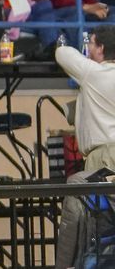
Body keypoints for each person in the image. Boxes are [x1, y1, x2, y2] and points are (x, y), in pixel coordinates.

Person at [53, 27, 115, 269]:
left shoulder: (93, 73)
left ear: (100, 49)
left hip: (104, 158)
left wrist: (84, 55)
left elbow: (62, 53)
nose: (88, 48)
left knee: (81, 203)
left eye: (91, 44)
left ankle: (66, 265)